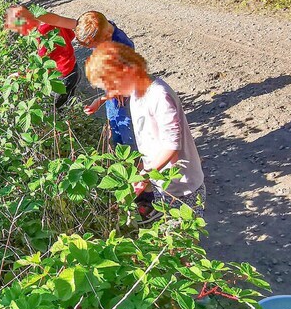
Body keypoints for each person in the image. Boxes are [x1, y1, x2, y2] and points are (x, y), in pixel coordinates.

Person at [84, 41, 205, 220]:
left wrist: (144, 176)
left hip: (182, 185)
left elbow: (172, 145)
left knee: (182, 229)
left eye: (112, 86)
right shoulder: (137, 86)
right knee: (166, 221)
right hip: (161, 178)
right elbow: (117, 91)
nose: (113, 91)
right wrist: (101, 100)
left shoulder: (159, 96)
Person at [75, 11, 136, 149]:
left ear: (106, 37)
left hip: (123, 99)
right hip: (113, 96)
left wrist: (100, 100)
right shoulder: (105, 30)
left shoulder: (121, 49)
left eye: (93, 46)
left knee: (128, 136)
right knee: (115, 130)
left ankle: (132, 160)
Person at [4, 3, 80, 109]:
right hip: (74, 68)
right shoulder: (52, 23)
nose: (22, 34)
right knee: (68, 98)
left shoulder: (41, 37)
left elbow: (40, 67)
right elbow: (71, 35)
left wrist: (20, 74)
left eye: (21, 30)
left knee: (55, 107)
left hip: (63, 77)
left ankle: (69, 115)